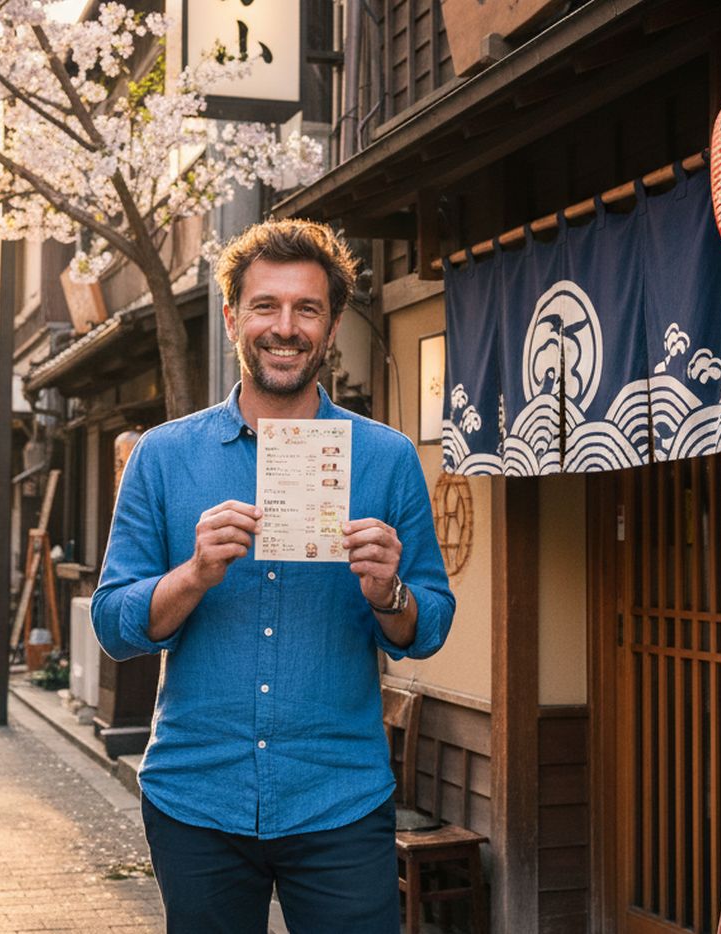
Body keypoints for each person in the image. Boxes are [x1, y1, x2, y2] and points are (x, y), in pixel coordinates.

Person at [92, 219, 455, 934]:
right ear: (233, 318)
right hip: (197, 797)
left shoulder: (383, 458)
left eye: (306, 309)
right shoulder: (163, 457)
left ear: (331, 324)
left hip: (340, 797)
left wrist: (391, 594)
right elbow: (113, 624)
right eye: (265, 306)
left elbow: (431, 623)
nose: (284, 327)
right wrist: (193, 574)